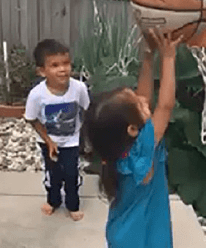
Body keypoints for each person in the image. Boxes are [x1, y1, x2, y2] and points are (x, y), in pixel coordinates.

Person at [83, 28, 183, 247]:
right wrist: (168, 57)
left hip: (124, 234)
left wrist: (148, 56)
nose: (143, 100)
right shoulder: (142, 150)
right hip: (143, 239)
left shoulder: (122, 148)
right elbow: (165, 107)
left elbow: (145, 96)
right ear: (131, 129)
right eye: (138, 104)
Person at [24, 39, 90, 221]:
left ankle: (72, 204)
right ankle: (53, 201)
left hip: (72, 141)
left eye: (66, 63)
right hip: (48, 141)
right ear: (42, 71)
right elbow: (31, 119)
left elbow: (87, 110)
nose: (62, 69)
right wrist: (49, 141)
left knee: (71, 174)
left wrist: (85, 136)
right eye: (54, 65)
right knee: (52, 175)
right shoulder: (37, 95)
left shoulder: (79, 88)